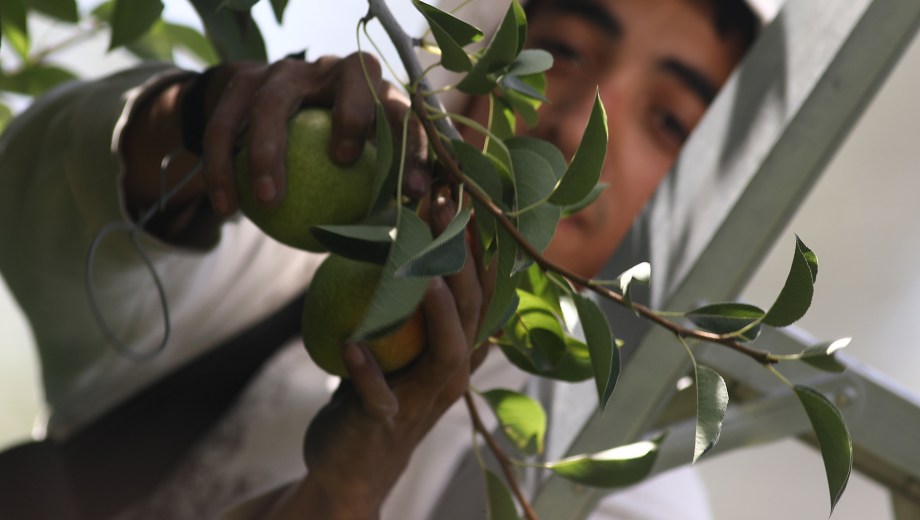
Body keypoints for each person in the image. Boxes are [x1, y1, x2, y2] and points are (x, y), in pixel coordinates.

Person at [0, 0, 764, 518]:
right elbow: (39, 204)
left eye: (669, 120)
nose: (574, 125)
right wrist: (199, 121)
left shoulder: (623, 486)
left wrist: (340, 497)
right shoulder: (286, 260)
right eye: (562, 52)